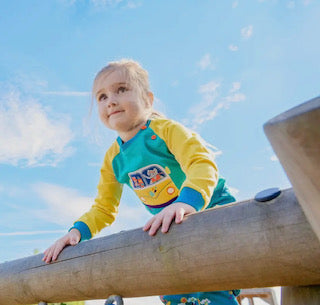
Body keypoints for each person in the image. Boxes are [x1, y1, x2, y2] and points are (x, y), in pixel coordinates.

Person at [42, 59, 240, 305]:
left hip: (211, 212)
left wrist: (186, 202)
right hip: (173, 230)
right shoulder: (113, 159)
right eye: (102, 97)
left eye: (121, 90)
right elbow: (104, 208)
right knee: (175, 293)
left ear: (147, 99)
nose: (110, 100)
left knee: (211, 292)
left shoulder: (165, 130)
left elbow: (201, 163)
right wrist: (75, 232)